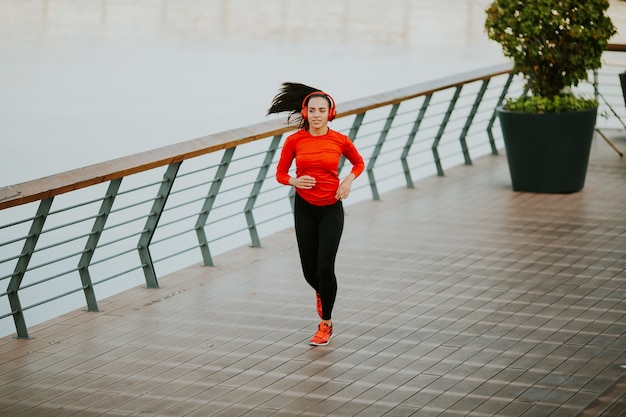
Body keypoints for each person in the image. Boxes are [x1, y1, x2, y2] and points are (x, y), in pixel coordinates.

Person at [268, 82, 365, 346]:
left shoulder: (340, 140)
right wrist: (294, 182)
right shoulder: (294, 141)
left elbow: (359, 162)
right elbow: (280, 173)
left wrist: (347, 182)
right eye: (312, 110)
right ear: (305, 112)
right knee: (309, 271)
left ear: (329, 113)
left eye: (322, 110)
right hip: (304, 209)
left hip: (331, 208)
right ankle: (323, 293)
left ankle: (326, 324)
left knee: (325, 266)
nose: (317, 115)